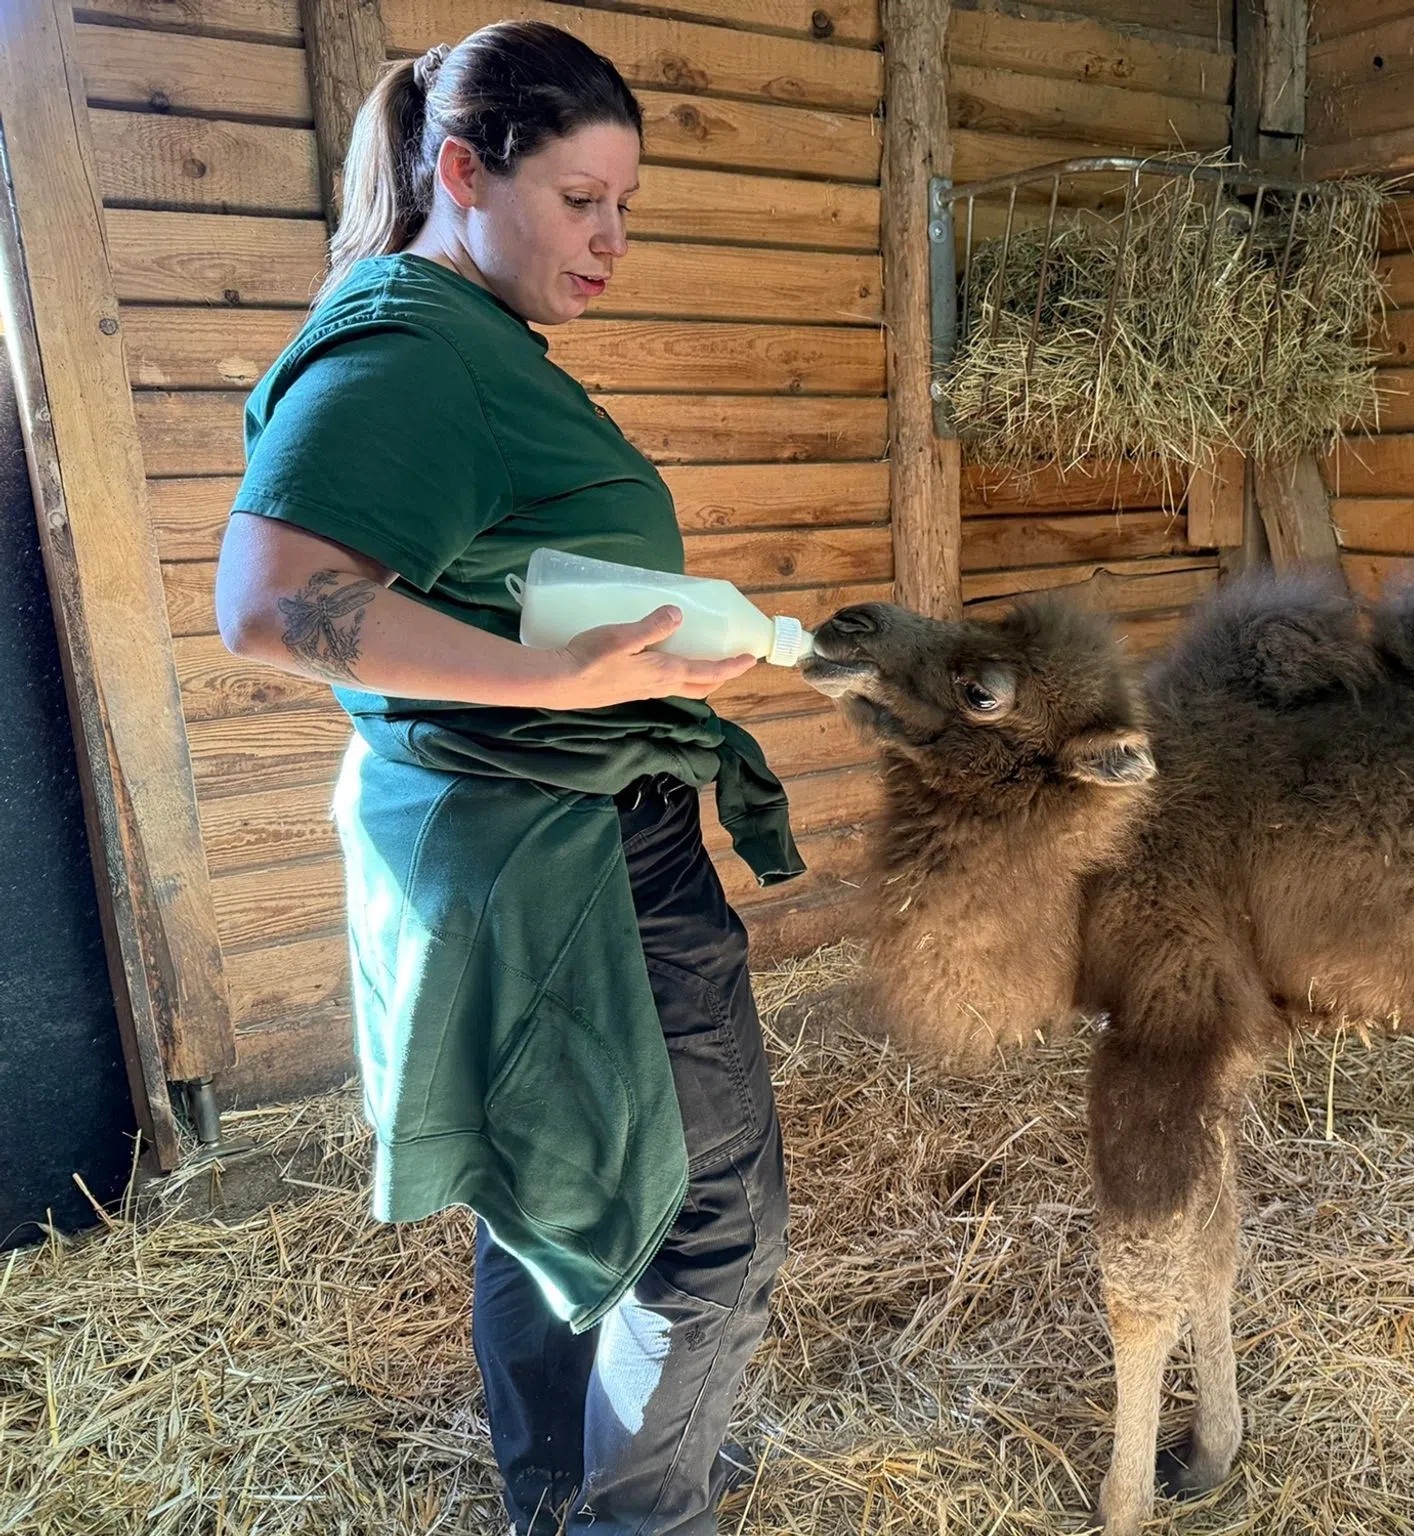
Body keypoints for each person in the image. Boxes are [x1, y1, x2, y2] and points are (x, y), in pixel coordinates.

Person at [213, 22, 798, 1535]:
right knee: (711, 1219)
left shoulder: (450, 331)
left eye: (628, 212)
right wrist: (565, 679)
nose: (611, 244)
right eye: (582, 201)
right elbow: (273, 600)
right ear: (461, 171)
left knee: (549, 1177)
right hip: (575, 853)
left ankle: (558, 1488)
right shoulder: (415, 344)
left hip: (518, 829)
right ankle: (633, 1514)